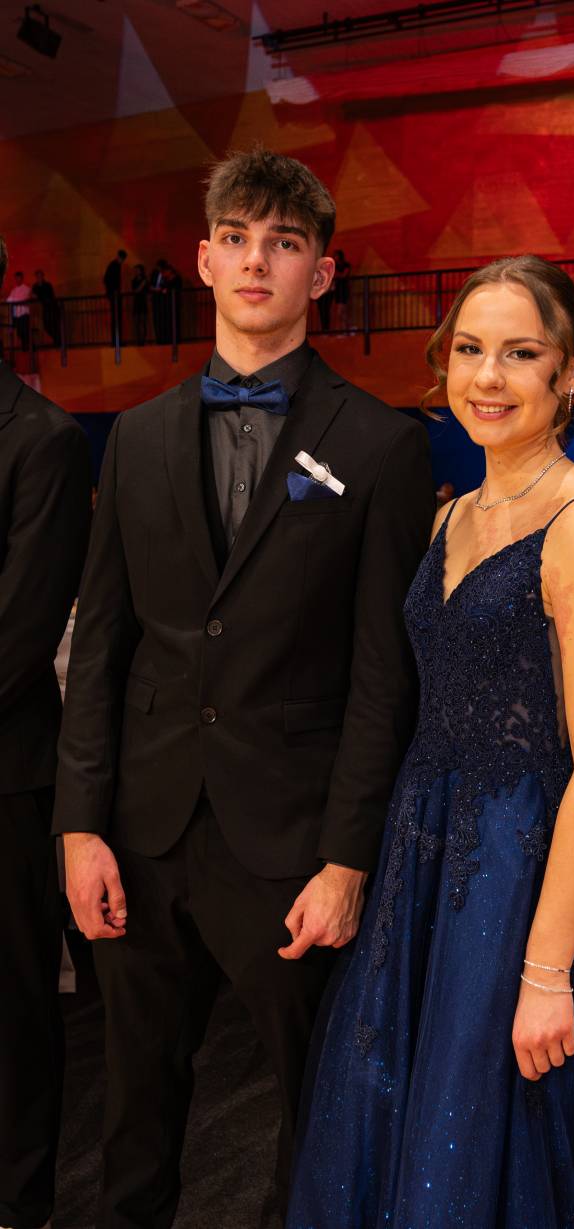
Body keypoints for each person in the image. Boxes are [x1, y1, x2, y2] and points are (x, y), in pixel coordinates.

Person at [52, 148, 434, 1229]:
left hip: (294, 843)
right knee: (132, 1110)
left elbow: (383, 678)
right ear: (205, 259)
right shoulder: (136, 437)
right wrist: (80, 827)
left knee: (312, 1115)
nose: (258, 260)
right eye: (238, 238)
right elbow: (103, 647)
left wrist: (348, 858)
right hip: (143, 832)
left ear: (323, 272)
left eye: (285, 242)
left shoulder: (382, 445)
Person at [287, 255, 574, 1228]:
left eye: (520, 353)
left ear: (571, 370)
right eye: (468, 349)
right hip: (423, 861)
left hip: (520, 876)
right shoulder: (454, 514)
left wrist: (546, 969)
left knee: (486, 1146)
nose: (487, 376)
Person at [0, 235, 92, 1229]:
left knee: (15, 1011)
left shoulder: (44, 439)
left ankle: (18, 1201)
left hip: (7, 781)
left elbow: (21, 635)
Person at [103, 249, 127, 345]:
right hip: (115, 295)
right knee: (117, 318)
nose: (122, 261)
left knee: (116, 318)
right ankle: (117, 341)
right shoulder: (115, 266)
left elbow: (106, 279)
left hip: (113, 294)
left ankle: (116, 341)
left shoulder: (113, 265)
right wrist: (114, 292)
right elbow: (108, 279)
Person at [32, 270, 60, 346]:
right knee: (47, 326)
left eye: (40, 276)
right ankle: (57, 339)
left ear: (43, 276)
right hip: (45, 308)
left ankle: (58, 340)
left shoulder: (47, 285)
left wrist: (38, 296)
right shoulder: (35, 286)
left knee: (54, 324)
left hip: (52, 307)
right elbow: (33, 296)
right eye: (37, 276)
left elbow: (49, 296)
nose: (39, 278)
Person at [6, 271, 32, 350]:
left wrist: (14, 300)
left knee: (24, 330)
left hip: (24, 313)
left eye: (19, 278)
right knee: (19, 332)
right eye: (16, 278)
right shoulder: (13, 290)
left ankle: (27, 346)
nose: (17, 280)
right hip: (16, 314)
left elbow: (25, 298)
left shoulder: (26, 288)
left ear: (22, 278)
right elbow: (9, 300)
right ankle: (25, 346)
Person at [332, 248, 351, 331]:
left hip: (344, 289)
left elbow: (344, 275)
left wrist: (338, 275)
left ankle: (345, 328)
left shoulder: (346, 265)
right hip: (338, 289)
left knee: (342, 311)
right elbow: (334, 275)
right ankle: (344, 328)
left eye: (336, 255)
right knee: (340, 311)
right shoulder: (335, 266)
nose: (335, 257)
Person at [130, 264, 149, 345]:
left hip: (143, 302)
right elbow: (135, 291)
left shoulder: (145, 280)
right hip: (136, 302)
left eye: (137, 270)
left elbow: (147, 290)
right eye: (135, 270)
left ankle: (143, 340)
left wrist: (144, 283)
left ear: (141, 271)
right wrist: (143, 283)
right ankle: (138, 341)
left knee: (143, 322)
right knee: (136, 323)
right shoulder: (134, 281)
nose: (136, 272)